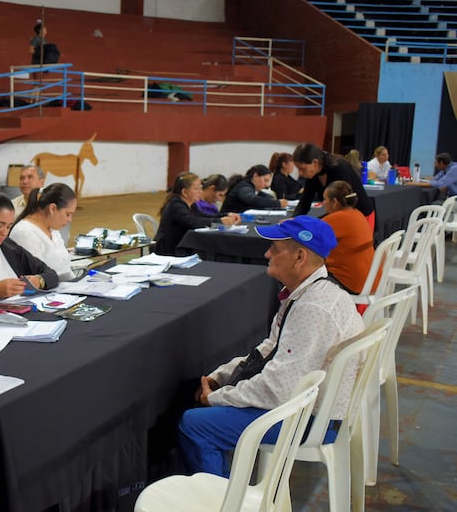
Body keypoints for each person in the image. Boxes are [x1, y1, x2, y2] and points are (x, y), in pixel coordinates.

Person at [178, 215, 364, 476]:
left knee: (195, 425)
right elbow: (270, 348)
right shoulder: (313, 291)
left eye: (275, 249)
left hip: (314, 419)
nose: (266, 254)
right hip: (317, 406)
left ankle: (222, 502)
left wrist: (216, 399)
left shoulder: (312, 307)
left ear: (299, 257)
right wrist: (222, 377)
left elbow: (278, 389)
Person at [292, 142, 375, 229]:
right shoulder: (312, 174)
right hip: (341, 215)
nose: (300, 173)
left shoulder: (340, 168)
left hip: (360, 215)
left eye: (302, 168)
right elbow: (305, 201)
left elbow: (343, 207)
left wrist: (311, 222)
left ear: (315, 162)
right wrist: (293, 219)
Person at [155, 172, 240, 256]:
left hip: (182, 246)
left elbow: (203, 216)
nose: (200, 191)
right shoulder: (176, 205)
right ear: (184, 192)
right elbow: (193, 222)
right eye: (196, 189)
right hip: (168, 251)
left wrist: (227, 215)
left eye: (200, 187)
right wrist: (220, 221)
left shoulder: (191, 204)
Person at [10, 183, 77, 281]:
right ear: (52, 208)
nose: (69, 220)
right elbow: (34, 278)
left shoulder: (53, 229)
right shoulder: (24, 233)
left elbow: (65, 269)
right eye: (67, 214)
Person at [321, 181, 374, 294]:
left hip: (353, 282)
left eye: (325, 199)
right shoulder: (358, 214)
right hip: (370, 279)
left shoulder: (336, 218)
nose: (323, 203)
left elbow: (311, 235)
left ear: (334, 202)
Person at [219, 165, 285, 214]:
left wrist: (272, 199)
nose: (266, 185)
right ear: (255, 176)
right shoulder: (243, 186)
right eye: (265, 180)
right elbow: (252, 200)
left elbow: (263, 195)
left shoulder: (250, 187)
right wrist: (277, 203)